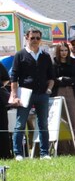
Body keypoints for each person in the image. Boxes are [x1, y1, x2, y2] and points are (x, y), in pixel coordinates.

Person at [9, 28, 55, 161]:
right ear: (27, 38)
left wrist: (49, 89)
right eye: (32, 38)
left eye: (37, 38)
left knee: (43, 124)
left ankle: (44, 153)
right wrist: (14, 95)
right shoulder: (20, 55)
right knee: (20, 124)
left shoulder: (45, 56)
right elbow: (14, 77)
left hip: (42, 94)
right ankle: (18, 153)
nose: (35, 40)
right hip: (25, 94)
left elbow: (51, 76)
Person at [51, 41, 75, 155]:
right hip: (57, 92)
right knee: (61, 122)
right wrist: (61, 81)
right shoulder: (53, 63)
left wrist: (64, 79)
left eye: (65, 50)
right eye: (61, 51)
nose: (64, 53)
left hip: (71, 92)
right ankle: (62, 151)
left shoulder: (73, 62)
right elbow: (52, 79)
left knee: (74, 122)